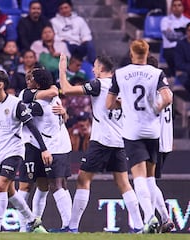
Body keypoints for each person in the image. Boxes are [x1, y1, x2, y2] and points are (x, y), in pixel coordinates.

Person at [59, 53, 145, 233]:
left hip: (102, 141)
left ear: (101, 69)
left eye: (95, 66)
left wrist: (62, 68)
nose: (92, 69)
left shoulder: (99, 84)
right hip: (120, 140)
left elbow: (66, 90)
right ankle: (139, 226)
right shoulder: (123, 85)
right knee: (123, 182)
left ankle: (72, 227)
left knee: (83, 180)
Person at [0, 70, 51, 232]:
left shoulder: (15, 104)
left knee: (0, 186)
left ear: (0, 85)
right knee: (10, 191)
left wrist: (44, 149)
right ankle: (31, 220)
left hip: (14, 152)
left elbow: (31, 126)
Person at [106, 39, 173, 233]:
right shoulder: (156, 73)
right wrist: (157, 107)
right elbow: (168, 97)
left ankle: (149, 218)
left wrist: (124, 103)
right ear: (148, 51)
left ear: (131, 52)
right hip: (153, 131)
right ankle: (162, 218)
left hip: (132, 131)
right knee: (150, 178)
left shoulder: (121, 74)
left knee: (139, 177)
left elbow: (109, 104)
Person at [17, 68, 73, 232]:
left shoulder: (47, 98)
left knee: (53, 185)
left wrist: (64, 113)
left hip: (52, 146)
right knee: (35, 185)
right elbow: (29, 97)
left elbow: (35, 104)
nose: (27, 81)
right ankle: (28, 226)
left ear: (39, 83)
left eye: (31, 79)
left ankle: (67, 225)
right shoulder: (48, 94)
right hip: (37, 146)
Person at [147, 55, 175, 233]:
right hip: (166, 142)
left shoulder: (153, 89)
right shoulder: (165, 88)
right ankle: (158, 219)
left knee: (147, 181)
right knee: (149, 181)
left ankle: (162, 219)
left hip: (155, 141)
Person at [160, 0, 190, 77]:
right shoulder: (165, 20)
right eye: (174, 5)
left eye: (179, 5)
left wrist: (174, 33)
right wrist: (183, 33)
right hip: (170, 49)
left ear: (183, 8)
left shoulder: (187, 21)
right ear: (171, 8)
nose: (177, 8)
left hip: (185, 48)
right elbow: (169, 36)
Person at [174, 22, 190, 93]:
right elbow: (179, 64)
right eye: (189, 30)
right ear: (186, 32)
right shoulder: (180, 44)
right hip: (184, 73)